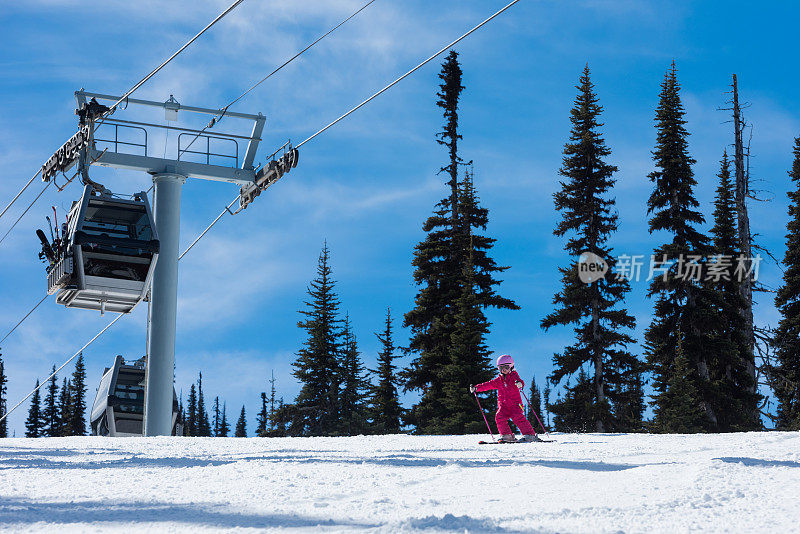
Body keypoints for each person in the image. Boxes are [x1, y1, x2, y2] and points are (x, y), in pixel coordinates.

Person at [470, 354, 541, 443]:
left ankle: (530, 435)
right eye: (501, 368)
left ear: (511, 367)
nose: (504, 370)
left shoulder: (514, 376)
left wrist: (520, 384)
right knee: (499, 417)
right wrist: (476, 388)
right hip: (503, 405)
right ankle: (507, 436)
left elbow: (520, 382)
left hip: (515, 404)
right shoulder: (498, 380)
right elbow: (488, 385)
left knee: (518, 417)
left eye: (506, 367)